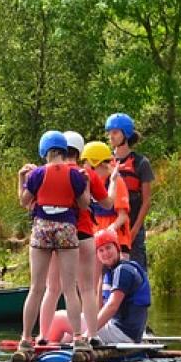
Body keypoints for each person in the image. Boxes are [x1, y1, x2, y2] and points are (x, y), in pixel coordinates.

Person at [36, 131, 116, 344]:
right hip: (84, 235)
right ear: (79, 151)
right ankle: (92, 335)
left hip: (56, 237)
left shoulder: (48, 172)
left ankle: (43, 335)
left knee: (52, 288)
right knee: (87, 288)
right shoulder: (85, 174)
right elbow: (108, 204)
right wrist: (113, 181)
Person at [16, 131, 91, 356]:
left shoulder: (37, 174)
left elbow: (24, 201)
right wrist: (85, 184)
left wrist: (21, 178)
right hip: (66, 228)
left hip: (42, 228)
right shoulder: (75, 175)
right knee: (69, 288)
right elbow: (85, 204)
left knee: (37, 288)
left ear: (45, 151)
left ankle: (26, 339)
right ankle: (78, 337)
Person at [46, 230, 151, 344]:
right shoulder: (111, 272)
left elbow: (112, 306)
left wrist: (89, 334)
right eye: (101, 250)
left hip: (121, 332)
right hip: (120, 330)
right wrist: (100, 282)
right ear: (97, 255)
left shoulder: (123, 271)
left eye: (108, 247)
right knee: (68, 334)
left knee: (58, 319)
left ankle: (46, 352)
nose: (105, 253)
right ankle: (59, 348)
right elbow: (100, 310)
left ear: (117, 248)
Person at [106, 113, 155, 270]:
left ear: (125, 134)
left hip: (133, 227)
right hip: (111, 227)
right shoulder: (106, 162)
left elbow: (146, 201)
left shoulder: (141, 163)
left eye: (115, 132)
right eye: (109, 132)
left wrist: (134, 231)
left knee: (136, 273)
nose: (110, 136)